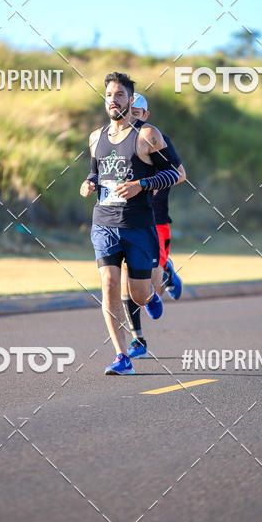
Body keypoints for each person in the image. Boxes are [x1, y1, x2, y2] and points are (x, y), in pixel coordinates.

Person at [80, 72, 180, 375]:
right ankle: (121, 356)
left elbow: (175, 173)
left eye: (120, 95)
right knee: (109, 284)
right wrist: (88, 183)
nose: (114, 100)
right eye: (109, 95)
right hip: (104, 224)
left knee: (137, 294)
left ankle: (150, 295)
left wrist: (143, 184)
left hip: (138, 225)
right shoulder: (96, 137)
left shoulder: (148, 135)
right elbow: (96, 172)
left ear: (129, 99)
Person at [121, 93, 185, 359]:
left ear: (145, 115)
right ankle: (138, 340)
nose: (132, 116)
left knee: (150, 290)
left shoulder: (155, 139)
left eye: (137, 112)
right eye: (129, 111)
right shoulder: (115, 141)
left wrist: (152, 184)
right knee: (127, 280)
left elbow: (179, 175)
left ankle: (165, 272)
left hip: (155, 221)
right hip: (126, 221)